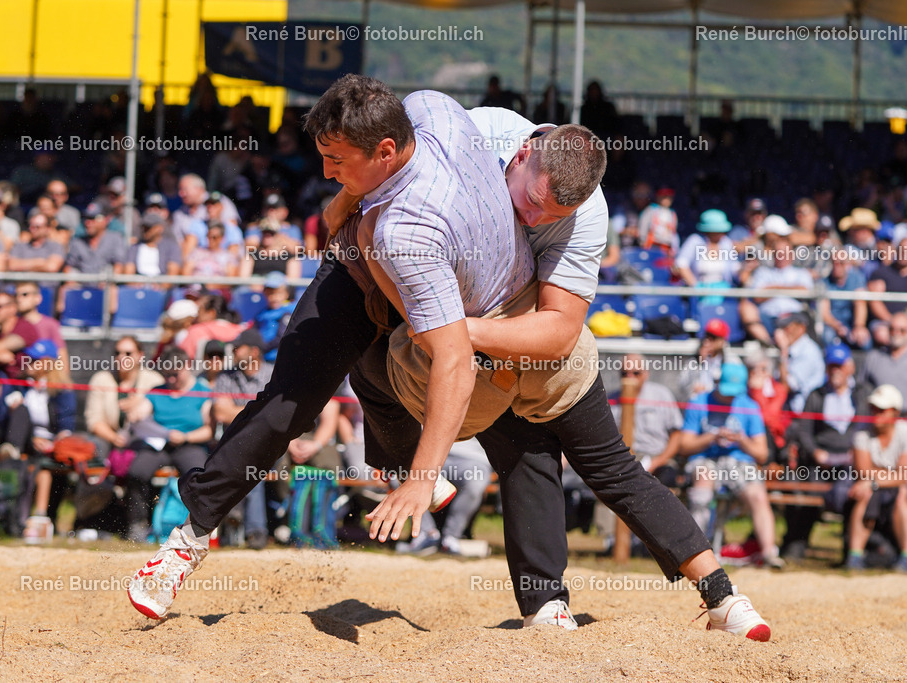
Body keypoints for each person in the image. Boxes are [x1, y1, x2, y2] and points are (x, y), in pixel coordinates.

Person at [129, 79, 769, 641]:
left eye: (551, 216)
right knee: (291, 400)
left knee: (534, 446)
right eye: (531, 200)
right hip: (376, 277)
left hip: (480, 318)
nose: (533, 217)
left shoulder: (583, 214)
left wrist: (455, 331)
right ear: (517, 156)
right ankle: (187, 540)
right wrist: (344, 213)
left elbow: (554, 331)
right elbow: (375, 164)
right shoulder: (465, 123)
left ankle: (552, 599)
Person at [680, 362, 784, 569]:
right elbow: (684, 446)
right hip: (705, 459)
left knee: (758, 495)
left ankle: (769, 554)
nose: (729, 397)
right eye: (726, 391)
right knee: (702, 484)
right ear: (718, 382)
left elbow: (762, 453)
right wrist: (712, 436)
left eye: (733, 393)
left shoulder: (749, 406)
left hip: (739, 462)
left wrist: (741, 440)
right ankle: (693, 552)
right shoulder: (699, 402)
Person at [782, 344, 872, 560]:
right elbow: (804, 430)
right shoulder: (816, 395)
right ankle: (796, 543)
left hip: (854, 460)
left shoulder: (862, 393)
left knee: (853, 492)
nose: (835, 371)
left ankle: (852, 550)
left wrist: (858, 454)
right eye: (831, 366)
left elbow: (868, 428)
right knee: (808, 492)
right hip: (820, 461)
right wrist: (815, 453)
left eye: (839, 366)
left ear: (850, 367)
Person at [123, 347, 212, 542]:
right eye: (167, 374)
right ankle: (138, 524)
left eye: (175, 374)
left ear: (187, 367)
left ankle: (198, 527)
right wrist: (136, 413)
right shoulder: (156, 391)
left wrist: (186, 437)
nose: (170, 379)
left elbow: (209, 430)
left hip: (190, 444)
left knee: (198, 474)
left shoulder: (203, 392)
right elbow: (141, 412)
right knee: (137, 471)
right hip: (160, 445)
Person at [0, 340, 76, 540]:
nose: (29, 363)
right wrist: (10, 406)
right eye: (28, 359)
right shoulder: (19, 386)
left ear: (49, 363)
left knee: (42, 468)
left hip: (50, 446)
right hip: (23, 440)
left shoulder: (62, 391)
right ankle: (12, 450)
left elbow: (67, 426)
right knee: (21, 411)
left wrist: (52, 444)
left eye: (34, 360)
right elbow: (1, 419)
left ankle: (37, 521)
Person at [211, 328, 274, 549]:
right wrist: (260, 414)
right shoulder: (226, 376)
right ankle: (255, 531)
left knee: (250, 465)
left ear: (254, 352)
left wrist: (239, 412)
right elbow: (220, 413)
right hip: (236, 443)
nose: (234, 351)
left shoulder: (274, 374)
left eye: (238, 348)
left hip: (271, 443)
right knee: (247, 464)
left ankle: (248, 526)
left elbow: (277, 414)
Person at [846, 384, 907, 572]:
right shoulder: (861, 431)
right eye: (873, 408)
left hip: (888, 488)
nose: (875, 413)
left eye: (881, 409)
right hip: (873, 487)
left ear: (895, 412)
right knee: (865, 493)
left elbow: (905, 473)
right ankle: (854, 556)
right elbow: (862, 470)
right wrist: (894, 476)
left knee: (901, 495)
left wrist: (875, 479)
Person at [84, 336, 164, 460]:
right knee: (95, 450)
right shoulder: (101, 379)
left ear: (140, 355)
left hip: (142, 439)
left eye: (128, 353)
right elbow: (94, 420)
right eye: (117, 353)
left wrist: (142, 402)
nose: (121, 357)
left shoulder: (155, 381)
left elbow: (164, 415)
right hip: (109, 438)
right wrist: (114, 438)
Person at [858, 311, 907, 426]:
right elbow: (861, 390)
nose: (896, 333)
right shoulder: (873, 357)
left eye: (902, 330)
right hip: (880, 420)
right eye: (892, 329)